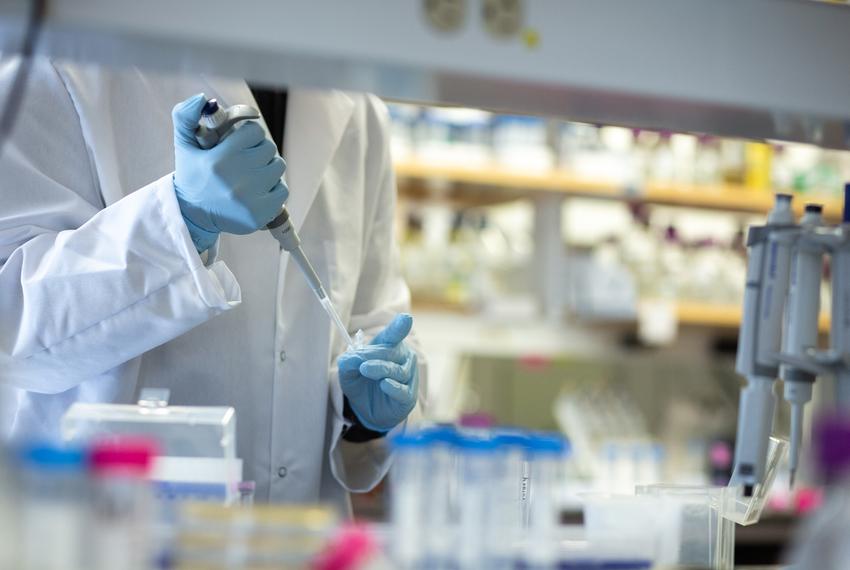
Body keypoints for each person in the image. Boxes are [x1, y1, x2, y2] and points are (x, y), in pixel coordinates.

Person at [0, 57, 425, 511]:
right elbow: (14, 318)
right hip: (99, 528)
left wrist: (362, 417)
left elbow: (373, 318)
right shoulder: (59, 59)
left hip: (285, 537)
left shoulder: (359, 106)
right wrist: (177, 221)